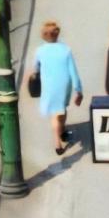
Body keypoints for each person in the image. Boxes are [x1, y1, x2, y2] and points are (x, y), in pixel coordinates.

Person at [31, 21, 83, 157]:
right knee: (61, 109)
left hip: (49, 84)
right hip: (64, 84)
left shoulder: (40, 51)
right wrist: (78, 89)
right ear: (57, 34)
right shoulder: (66, 50)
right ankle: (61, 132)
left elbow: (35, 68)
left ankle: (57, 143)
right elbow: (73, 71)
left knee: (55, 113)